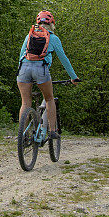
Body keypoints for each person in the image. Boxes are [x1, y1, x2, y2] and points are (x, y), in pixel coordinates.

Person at [17, 10, 80, 139]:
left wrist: (21, 72)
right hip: (41, 70)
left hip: (24, 69)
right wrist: (74, 77)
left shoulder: (30, 35)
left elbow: (21, 55)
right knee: (49, 99)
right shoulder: (54, 38)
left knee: (25, 103)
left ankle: (22, 135)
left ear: (37, 23)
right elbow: (64, 59)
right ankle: (52, 131)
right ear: (52, 24)